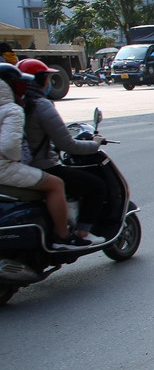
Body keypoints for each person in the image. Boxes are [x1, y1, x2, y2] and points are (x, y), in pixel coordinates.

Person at [18, 58, 107, 244]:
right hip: (43, 167)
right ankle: (79, 233)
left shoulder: (16, 105)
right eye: (48, 79)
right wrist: (95, 144)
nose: (50, 83)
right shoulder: (41, 105)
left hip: (19, 166)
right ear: (40, 80)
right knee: (96, 186)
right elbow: (68, 145)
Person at [0, 64, 88, 249]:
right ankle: (63, 238)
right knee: (56, 184)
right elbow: (10, 147)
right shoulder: (13, 109)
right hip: (5, 168)